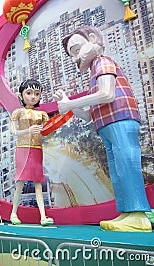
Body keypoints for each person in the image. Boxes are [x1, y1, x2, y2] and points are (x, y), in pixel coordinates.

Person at [54, 25, 151, 232]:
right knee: (116, 171)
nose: (75, 58)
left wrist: (70, 104)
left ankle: (139, 214)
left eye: (77, 49)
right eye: (72, 54)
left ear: (92, 39)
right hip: (105, 125)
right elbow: (90, 115)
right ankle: (127, 211)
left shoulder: (102, 62)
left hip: (120, 119)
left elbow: (108, 94)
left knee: (127, 164)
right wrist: (69, 102)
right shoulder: (93, 72)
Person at [9, 79, 54, 226]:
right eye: (29, 93)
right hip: (22, 149)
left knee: (38, 182)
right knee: (20, 181)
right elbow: (13, 131)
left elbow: (48, 132)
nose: (33, 97)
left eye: (37, 93)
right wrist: (27, 131)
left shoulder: (42, 114)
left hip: (37, 150)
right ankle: (13, 213)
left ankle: (43, 216)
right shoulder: (17, 112)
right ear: (21, 95)